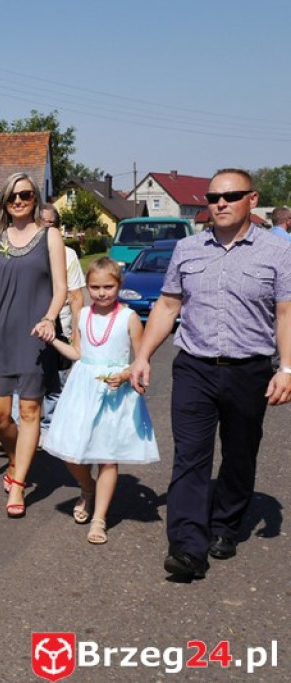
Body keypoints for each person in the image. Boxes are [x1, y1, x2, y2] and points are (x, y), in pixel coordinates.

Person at [130, 168, 291, 580]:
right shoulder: (187, 249)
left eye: (230, 196)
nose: (219, 203)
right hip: (194, 368)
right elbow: (167, 306)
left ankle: (225, 525)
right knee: (190, 458)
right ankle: (186, 546)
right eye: (213, 197)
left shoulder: (277, 253)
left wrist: (287, 367)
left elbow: (285, 313)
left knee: (239, 455)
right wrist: (143, 355)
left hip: (249, 370)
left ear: (252, 200)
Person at [0, 173, 66, 518]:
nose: (19, 201)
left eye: (25, 195)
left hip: (35, 338)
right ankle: (15, 458)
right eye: (12, 196)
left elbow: (62, 288)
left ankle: (18, 483)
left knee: (30, 412)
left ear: (35, 198)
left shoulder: (50, 236)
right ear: (4, 202)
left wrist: (50, 318)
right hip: (0, 337)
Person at [42, 258, 160, 544]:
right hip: (82, 388)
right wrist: (52, 339)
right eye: (95, 287)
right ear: (88, 287)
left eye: (108, 286)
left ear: (119, 285)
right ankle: (87, 487)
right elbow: (78, 354)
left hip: (114, 391)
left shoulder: (129, 317)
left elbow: (140, 358)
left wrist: (124, 374)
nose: (102, 293)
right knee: (71, 452)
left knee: (107, 457)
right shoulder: (82, 314)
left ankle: (100, 518)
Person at [37, 206, 85, 442]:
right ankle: (19, 427)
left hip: (61, 326)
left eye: (50, 224)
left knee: (56, 379)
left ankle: (50, 427)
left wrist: (77, 333)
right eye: (41, 222)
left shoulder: (68, 255)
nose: (45, 228)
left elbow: (76, 296)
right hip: (31, 326)